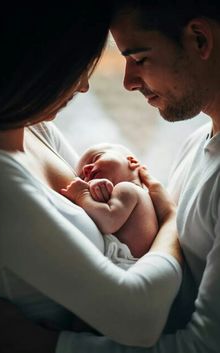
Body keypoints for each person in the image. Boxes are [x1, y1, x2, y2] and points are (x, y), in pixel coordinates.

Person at [0, 2, 182, 353]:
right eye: (77, 66)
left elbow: (102, 212)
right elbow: (138, 320)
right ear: (35, 59)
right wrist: (171, 223)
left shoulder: (34, 128)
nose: (86, 86)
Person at [54, 0, 220, 352]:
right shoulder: (198, 143)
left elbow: (206, 346)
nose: (128, 82)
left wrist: (43, 344)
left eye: (139, 58)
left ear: (200, 40)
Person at [61, 143, 158, 260]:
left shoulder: (128, 189)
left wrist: (81, 195)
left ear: (131, 162)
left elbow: (109, 221)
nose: (86, 169)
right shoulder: (133, 198)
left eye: (96, 158)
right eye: (82, 178)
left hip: (128, 264)